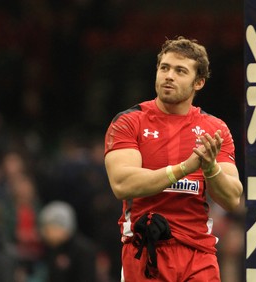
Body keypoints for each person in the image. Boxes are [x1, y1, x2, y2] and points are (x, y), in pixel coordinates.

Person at [104, 36, 243, 281]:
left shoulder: (214, 128)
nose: (169, 76)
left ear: (198, 82)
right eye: (164, 68)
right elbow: (122, 184)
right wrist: (184, 168)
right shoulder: (129, 121)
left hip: (198, 254)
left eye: (180, 71)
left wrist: (210, 169)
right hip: (145, 250)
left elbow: (232, 198)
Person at [39, 201, 97, 282]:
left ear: (60, 228)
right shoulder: (53, 249)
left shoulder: (83, 250)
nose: (44, 234)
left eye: (48, 229)